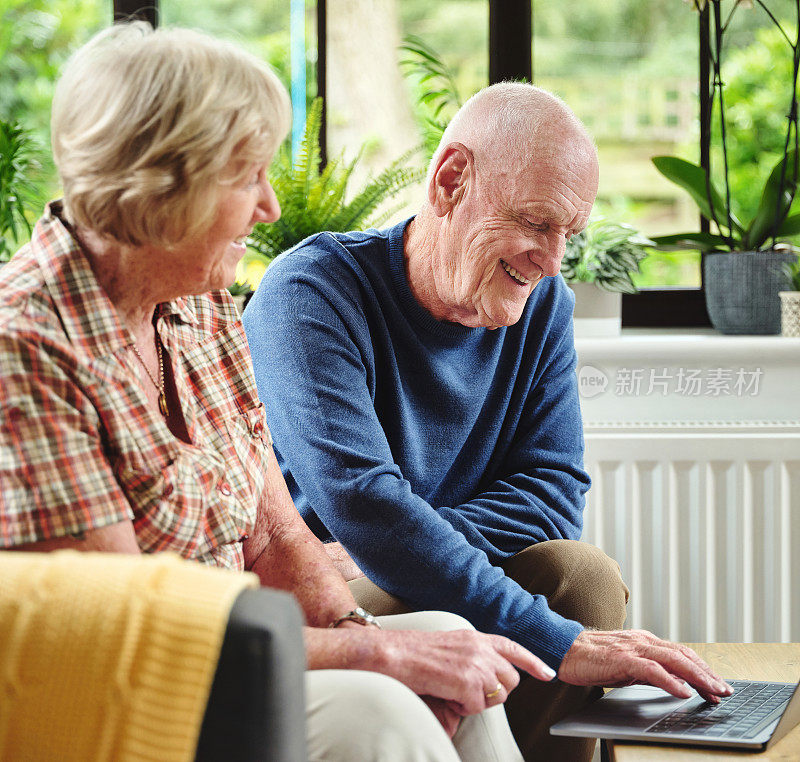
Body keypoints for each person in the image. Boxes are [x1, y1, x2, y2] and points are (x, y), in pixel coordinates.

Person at [0, 24, 566, 762]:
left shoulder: (200, 305)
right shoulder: (28, 347)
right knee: (377, 713)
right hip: (143, 688)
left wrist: (367, 639)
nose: (270, 205)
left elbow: (273, 536)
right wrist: (383, 661)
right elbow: (134, 633)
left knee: (459, 647)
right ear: (162, 182)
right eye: (248, 176)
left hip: (244, 647)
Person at [243, 82, 733, 761]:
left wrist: (406, 535)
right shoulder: (311, 292)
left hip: (369, 553)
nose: (554, 261)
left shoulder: (542, 303)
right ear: (451, 181)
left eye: (570, 234)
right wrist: (382, 541)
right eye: (536, 224)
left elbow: (554, 492)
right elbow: (363, 501)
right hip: (331, 588)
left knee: (581, 575)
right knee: (458, 610)